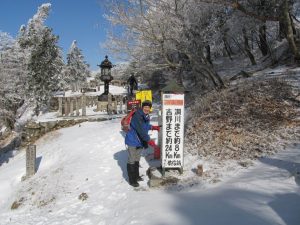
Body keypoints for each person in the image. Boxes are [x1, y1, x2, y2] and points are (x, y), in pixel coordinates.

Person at [125, 100, 160, 187]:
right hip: (132, 140)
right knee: (132, 159)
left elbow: (144, 126)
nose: (147, 109)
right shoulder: (137, 115)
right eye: (145, 107)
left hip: (139, 141)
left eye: (148, 107)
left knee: (137, 158)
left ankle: (136, 176)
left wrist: (152, 127)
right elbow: (140, 130)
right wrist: (149, 140)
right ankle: (132, 180)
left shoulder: (145, 116)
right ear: (142, 107)